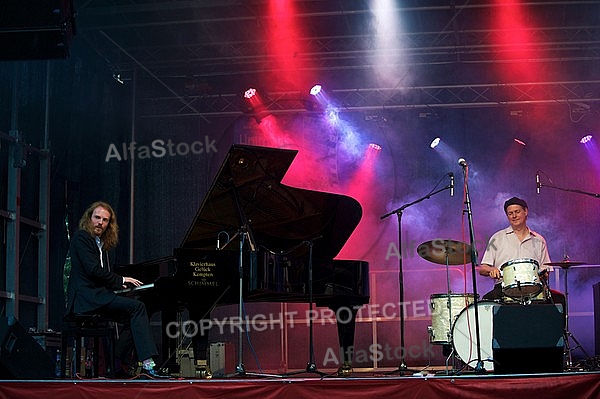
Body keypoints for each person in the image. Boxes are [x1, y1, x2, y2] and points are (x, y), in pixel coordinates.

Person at [65, 201, 164, 378]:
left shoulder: (99, 243)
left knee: (135, 315)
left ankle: (117, 360)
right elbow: (93, 270)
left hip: (97, 296)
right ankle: (148, 363)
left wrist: (119, 287)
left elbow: (98, 275)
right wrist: (120, 280)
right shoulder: (82, 238)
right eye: (97, 218)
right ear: (89, 218)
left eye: (105, 220)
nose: (100, 223)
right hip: (87, 298)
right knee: (138, 308)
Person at [478, 196, 565, 310]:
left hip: (534, 291)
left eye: (517, 212)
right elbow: (482, 268)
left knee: (559, 300)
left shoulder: (538, 240)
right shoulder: (497, 238)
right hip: (504, 288)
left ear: (525, 212)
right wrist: (492, 270)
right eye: (510, 213)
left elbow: (546, 269)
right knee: (485, 305)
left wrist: (543, 274)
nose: (514, 216)